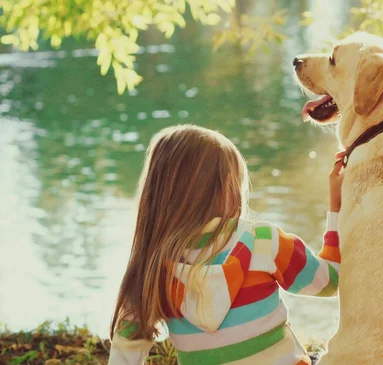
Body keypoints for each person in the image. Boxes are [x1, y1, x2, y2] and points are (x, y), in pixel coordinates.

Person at [108, 125, 344, 365]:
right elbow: (329, 281)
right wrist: (338, 207)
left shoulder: (151, 270)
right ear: (227, 185)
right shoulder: (262, 241)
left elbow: (124, 355)